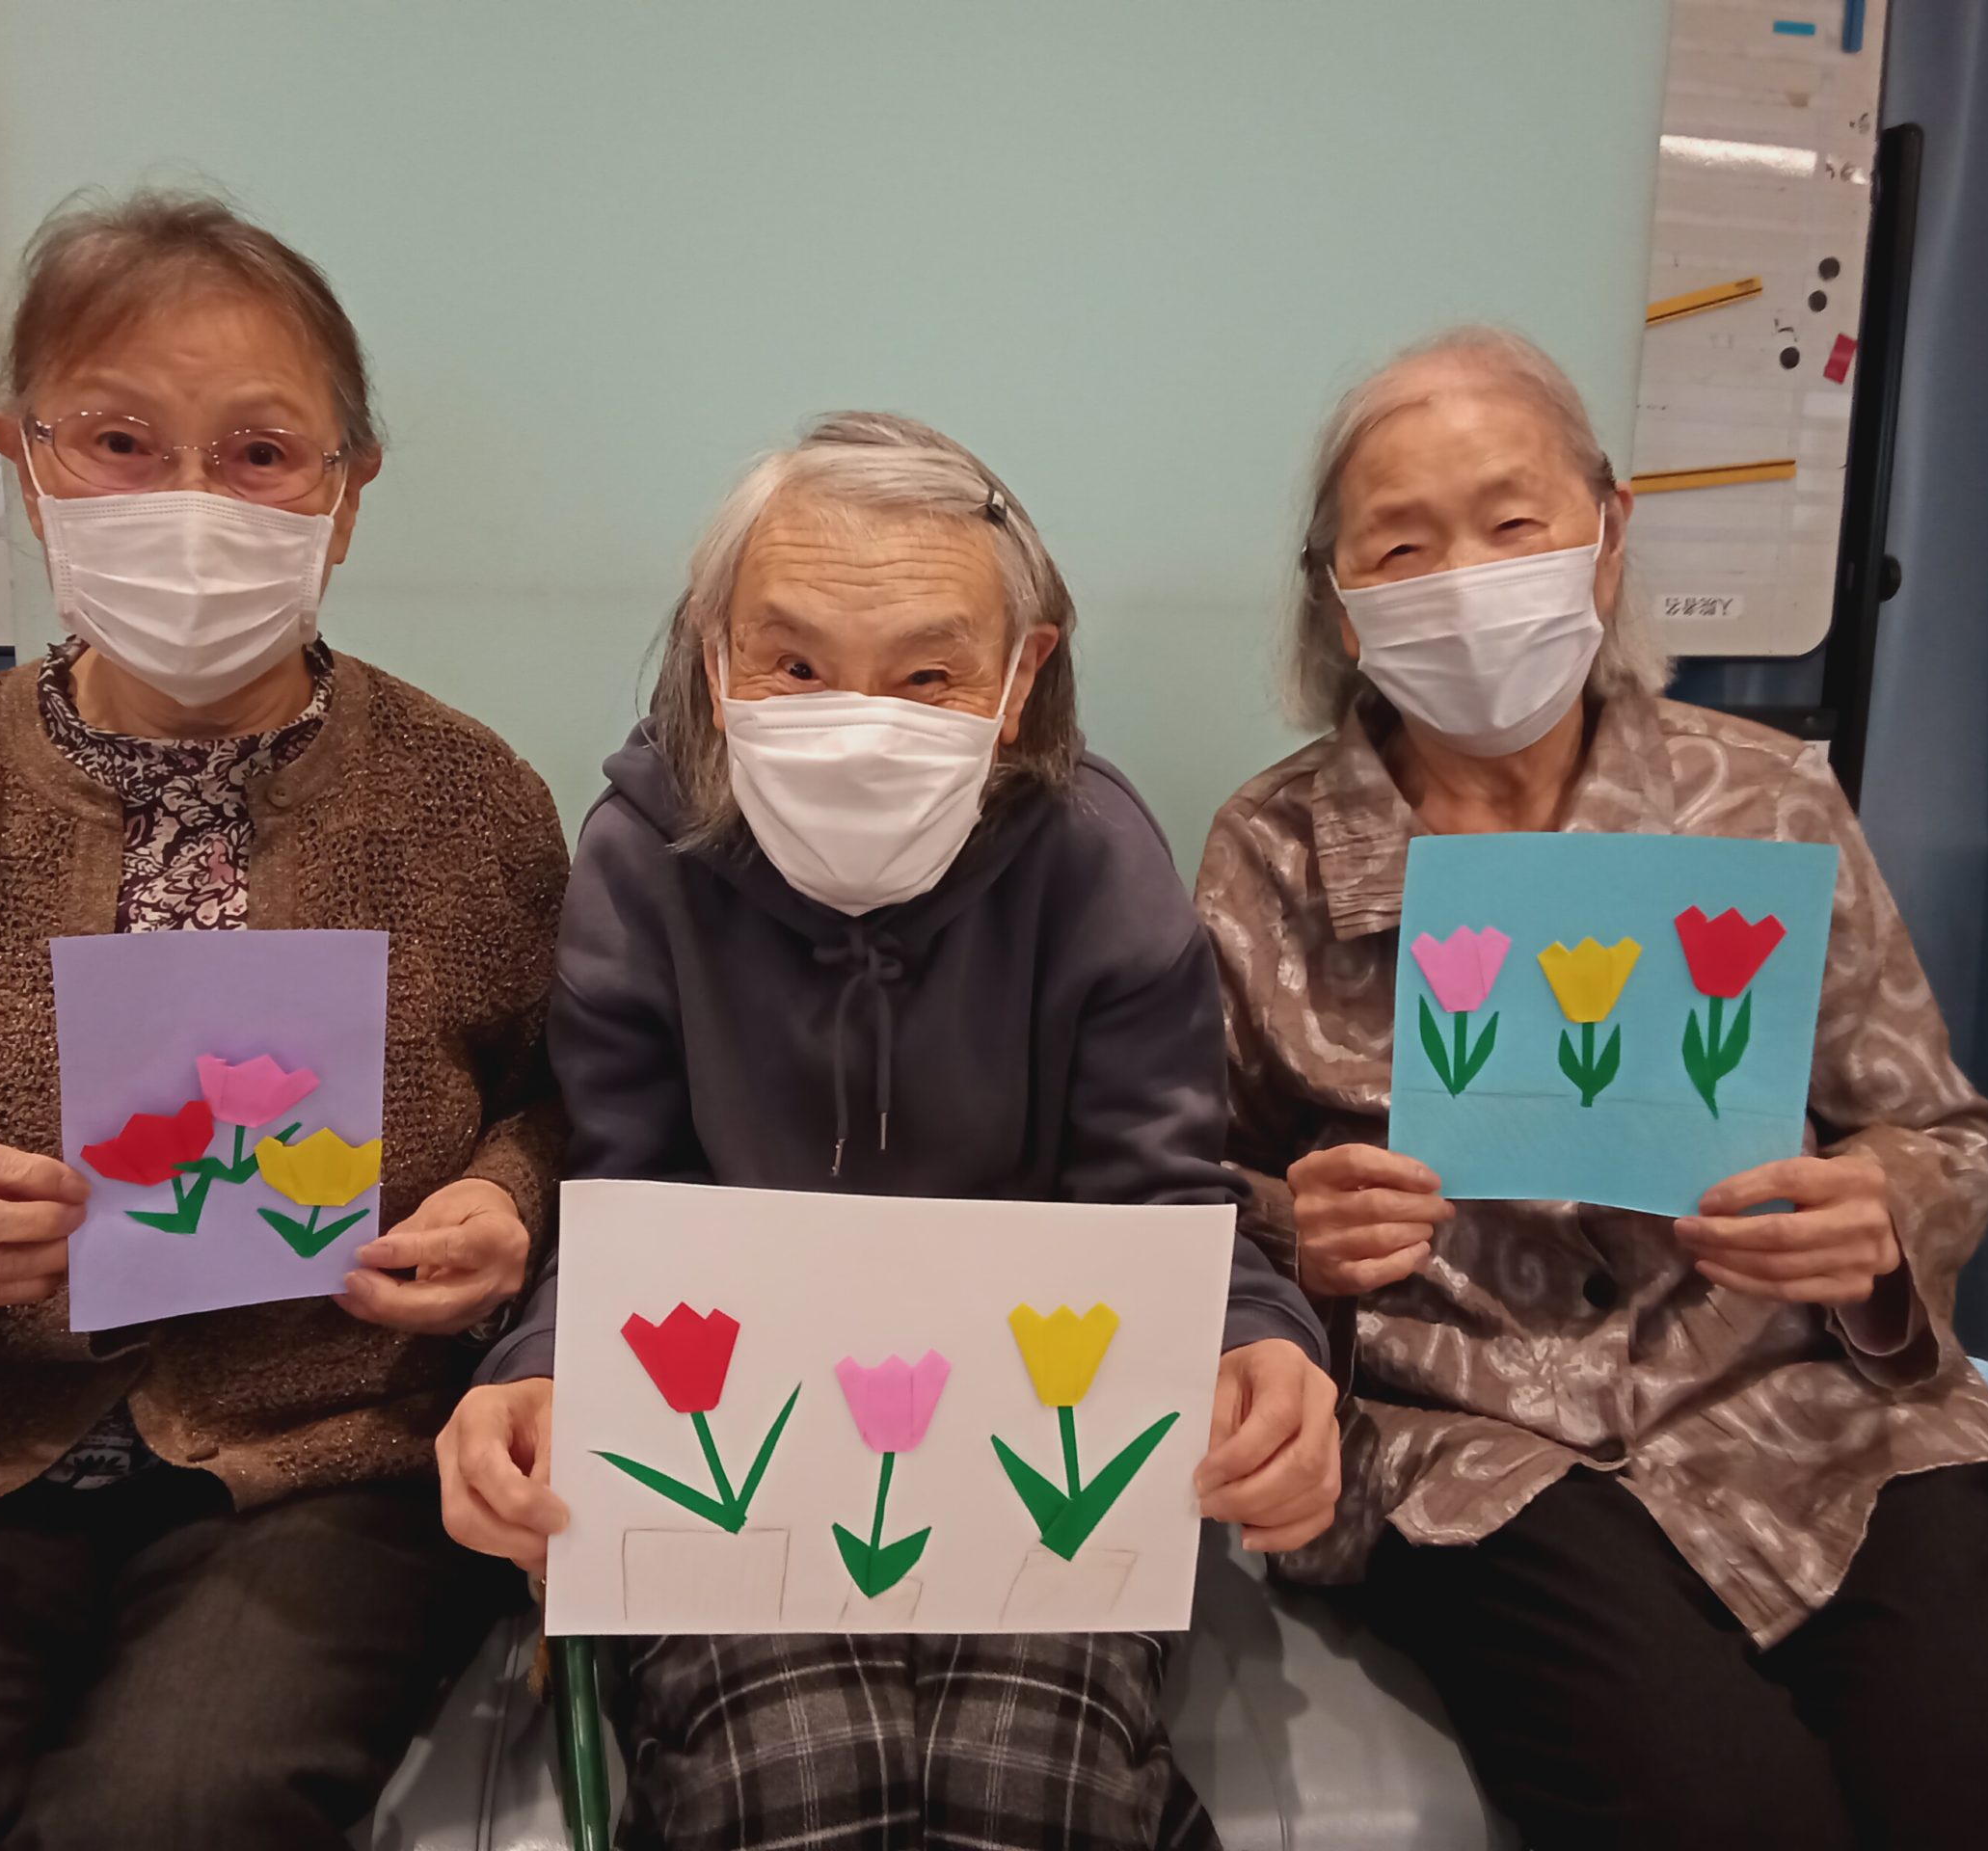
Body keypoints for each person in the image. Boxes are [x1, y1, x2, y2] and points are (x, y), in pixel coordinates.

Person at [0, 192, 569, 1849]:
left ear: (347, 494)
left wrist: (503, 1206)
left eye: (260, 454)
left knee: (176, 1809)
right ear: (25, 463)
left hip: (327, 1451)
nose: (190, 504)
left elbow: (562, 1104)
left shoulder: (471, 802)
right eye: (121, 443)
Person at [1197, 325, 1988, 1850]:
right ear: (1342, 603)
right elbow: (1185, 1186)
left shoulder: (1764, 806)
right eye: (1404, 548)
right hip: (1468, 1441)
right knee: (1714, 1804)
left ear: (1608, 532)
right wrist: (1300, 1225)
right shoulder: (1271, 854)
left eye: (1514, 523)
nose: (1467, 582)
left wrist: (1874, 1216)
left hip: (1801, 1410)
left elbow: (1935, 1132)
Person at [439, 413, 1338, 1850]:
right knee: (792, 1778)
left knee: (1030, 1782)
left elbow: (1162, 1200)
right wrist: (534, 1371)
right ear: (715, 657)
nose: (857, 719)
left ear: (1022, 674)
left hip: (1033, 1443)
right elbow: (623, 1201)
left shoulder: (1097, 861)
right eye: (793, 663)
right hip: (741, 1447)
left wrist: (1261, 1342)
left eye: (929, 674)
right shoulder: (640, 862)